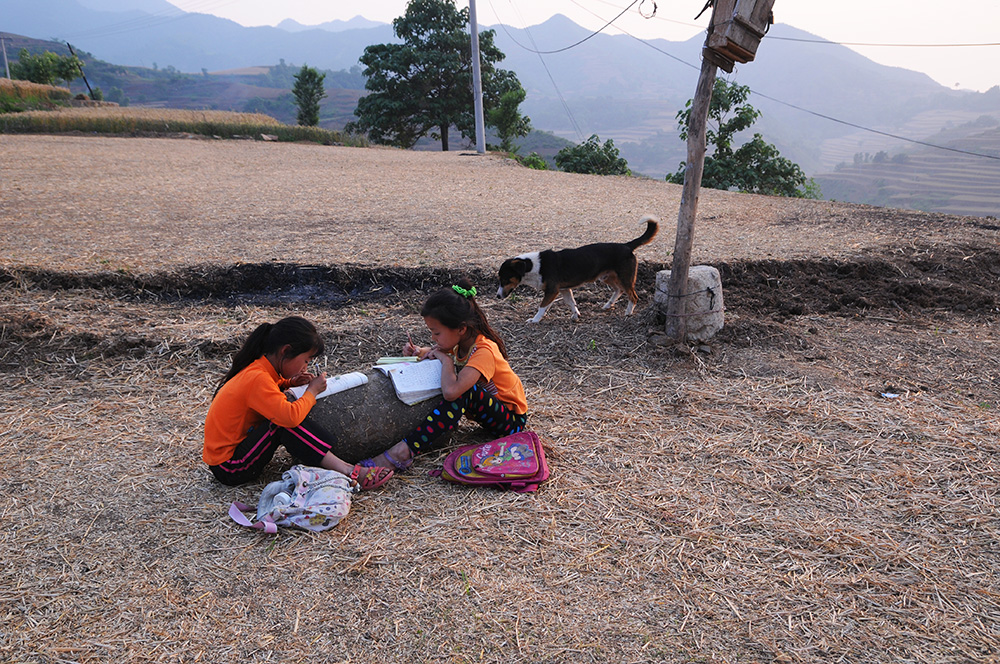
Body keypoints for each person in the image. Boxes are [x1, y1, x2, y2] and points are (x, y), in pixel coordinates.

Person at [203, 316, 393, 490]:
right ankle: (348, 470)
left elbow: (272, 386)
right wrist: (312, 392)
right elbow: (290, 418)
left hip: (230, 457)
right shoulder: (257, 379)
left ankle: (338, 463)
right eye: (306, 360)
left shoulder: (259, 369)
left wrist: (290, 382)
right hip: (230, 467)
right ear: (286, 351)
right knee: (283, 422)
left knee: (284, 414)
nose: (305, 367)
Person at [363, 278, 528, 471]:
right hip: (491, 415)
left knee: (464, 391)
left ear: (461, 329)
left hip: (510, 422)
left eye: (437, 333)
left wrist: (447, 361)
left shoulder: (484, 351)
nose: (433, 338)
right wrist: (419, 351)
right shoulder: (461, 342)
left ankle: (403, 452)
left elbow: (451, 392)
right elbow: (438, 351)